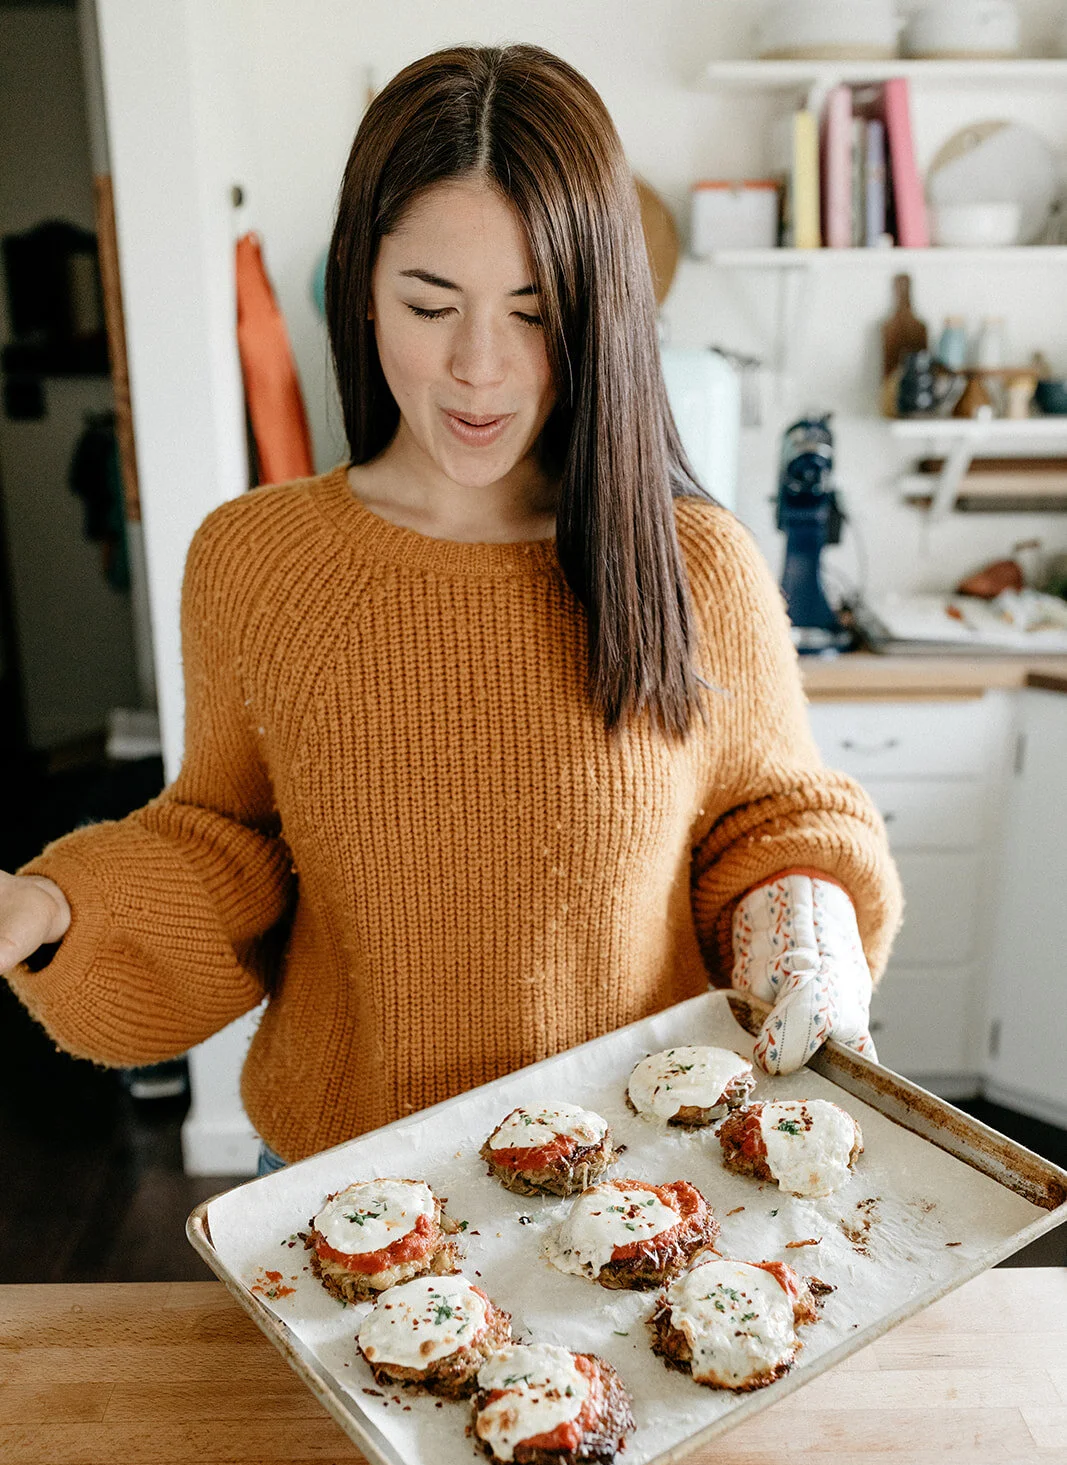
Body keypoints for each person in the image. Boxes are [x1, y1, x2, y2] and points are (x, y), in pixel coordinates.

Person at [0, 44, 901, 1175]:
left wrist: (805, 933)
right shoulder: (254, 561)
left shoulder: (692, 565)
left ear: (599, 313)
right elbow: (225, 848)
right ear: (361, 292)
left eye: (533, 312)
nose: (479, 369)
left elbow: (762, 829)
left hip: (635, 1182)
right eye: (430, 304)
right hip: (346, 1187)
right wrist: (48, 904)